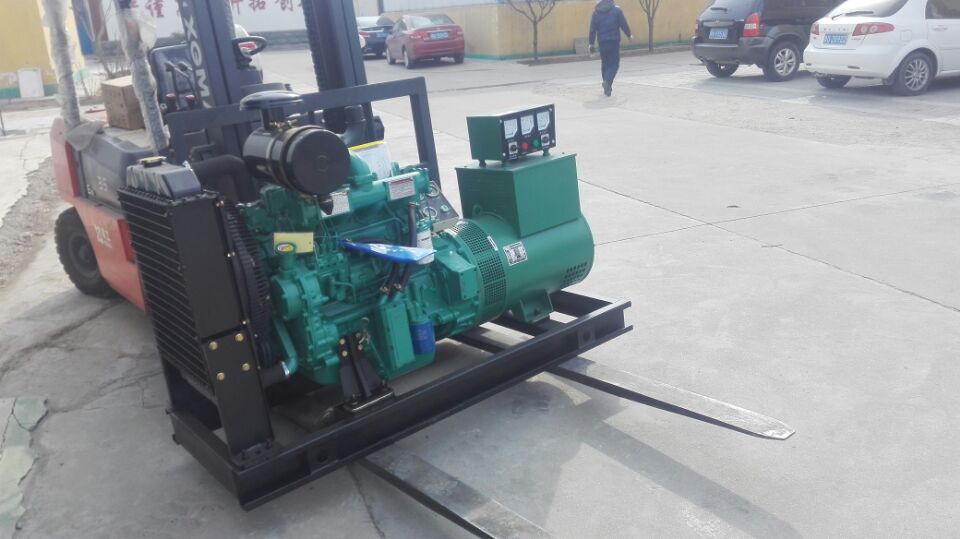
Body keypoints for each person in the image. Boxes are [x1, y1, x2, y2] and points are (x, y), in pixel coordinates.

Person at [588, 0, 632, 96]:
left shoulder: (596, 13)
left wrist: (591, 43)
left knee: (605, 63)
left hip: (602, 42)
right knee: (614, 64)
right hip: (613, 41)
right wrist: (629, 35)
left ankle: (607, 87)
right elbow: (623, 24)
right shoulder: (617, 10)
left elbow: (592, 29)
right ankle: (607, 82)